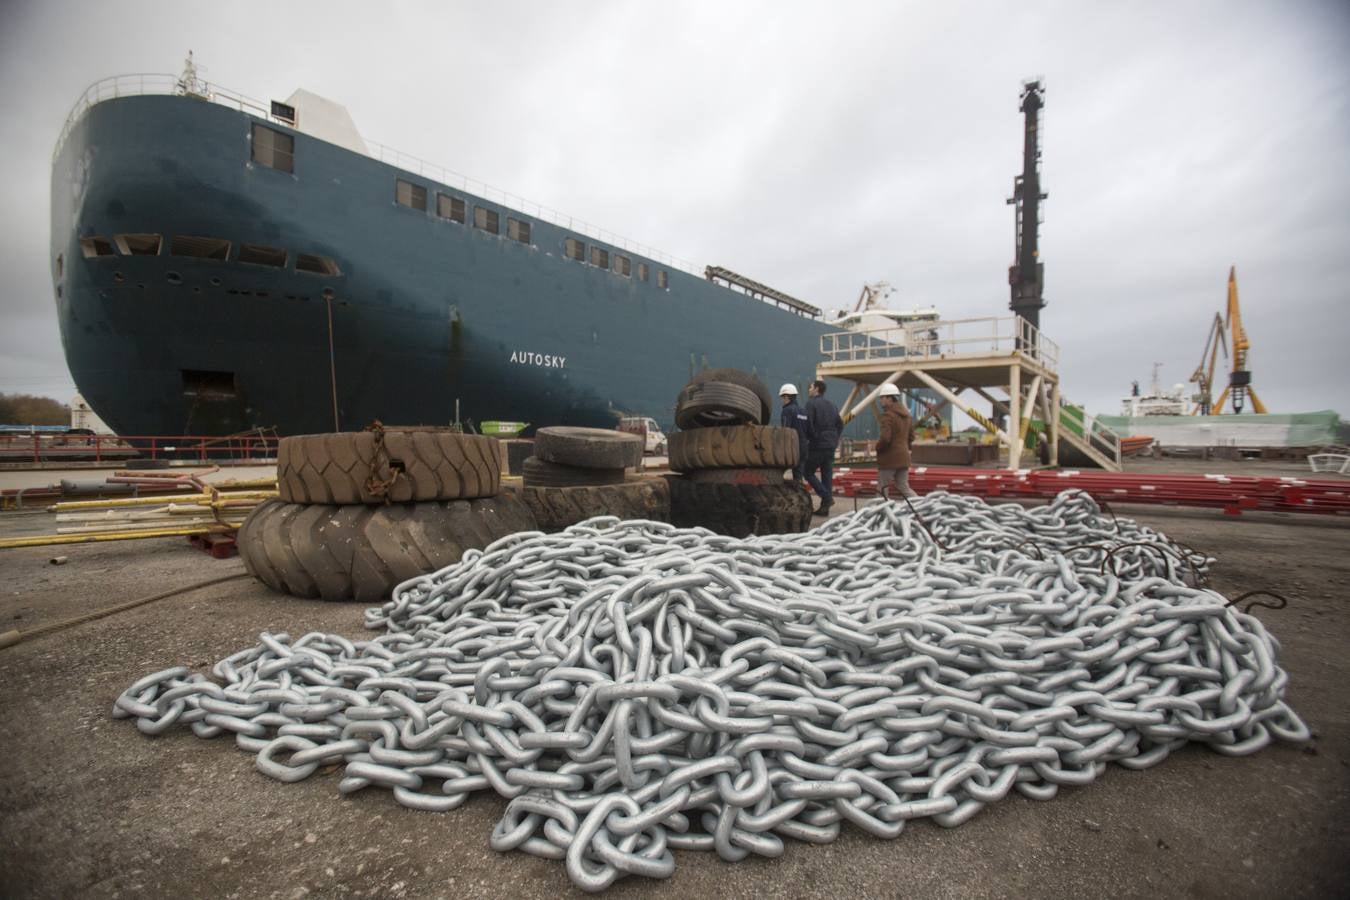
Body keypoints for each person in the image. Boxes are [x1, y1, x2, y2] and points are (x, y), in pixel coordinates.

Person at [804, 380, 843, 516]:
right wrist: (835, 438)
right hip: (831, 445)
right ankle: (824, 508)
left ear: (817, 389)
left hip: (817, 445)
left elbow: (808, 424)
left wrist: (812, 437)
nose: (809, 389)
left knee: (807, 471)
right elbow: (840, 424)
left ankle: (826, 497)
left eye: (810, 387)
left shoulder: (811, 404)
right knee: (827, 475)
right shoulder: (832, 405)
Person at [875, 383, 917, 500]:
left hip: (889, 459)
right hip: (904, 458)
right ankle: (921, 506)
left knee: (882, 489)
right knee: (903, 487)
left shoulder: (888, 416)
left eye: (882, 398)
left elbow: (885, 438)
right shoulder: (907, 415)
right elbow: (912, 437)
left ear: (890, 398)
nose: (881, 401)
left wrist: (878, 448)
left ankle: (881, 513)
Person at [779, 383, 810, 484]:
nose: (781, 400)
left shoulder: (787, 410)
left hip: (792, 448)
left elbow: (785, 430)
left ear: (787, 396)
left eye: (782, 398)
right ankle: (800, 494)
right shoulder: (803, 411)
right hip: (803, 448)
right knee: (798, 476)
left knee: (776, 472)